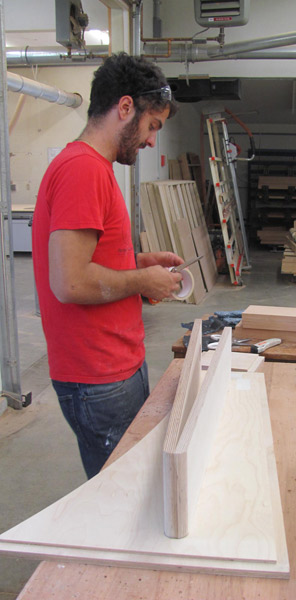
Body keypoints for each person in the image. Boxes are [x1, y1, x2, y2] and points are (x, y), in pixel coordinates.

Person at [32, 53, 184, 479]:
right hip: (98, 376)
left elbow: (91, 261)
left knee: (127, 486)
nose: (151, 141)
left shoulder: (91, 167)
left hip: (112, 368)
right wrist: (143, 280)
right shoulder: (83, 170)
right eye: (152, 126)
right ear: (125, 107)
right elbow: (70, 282)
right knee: (121, 495)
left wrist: (138, 263)